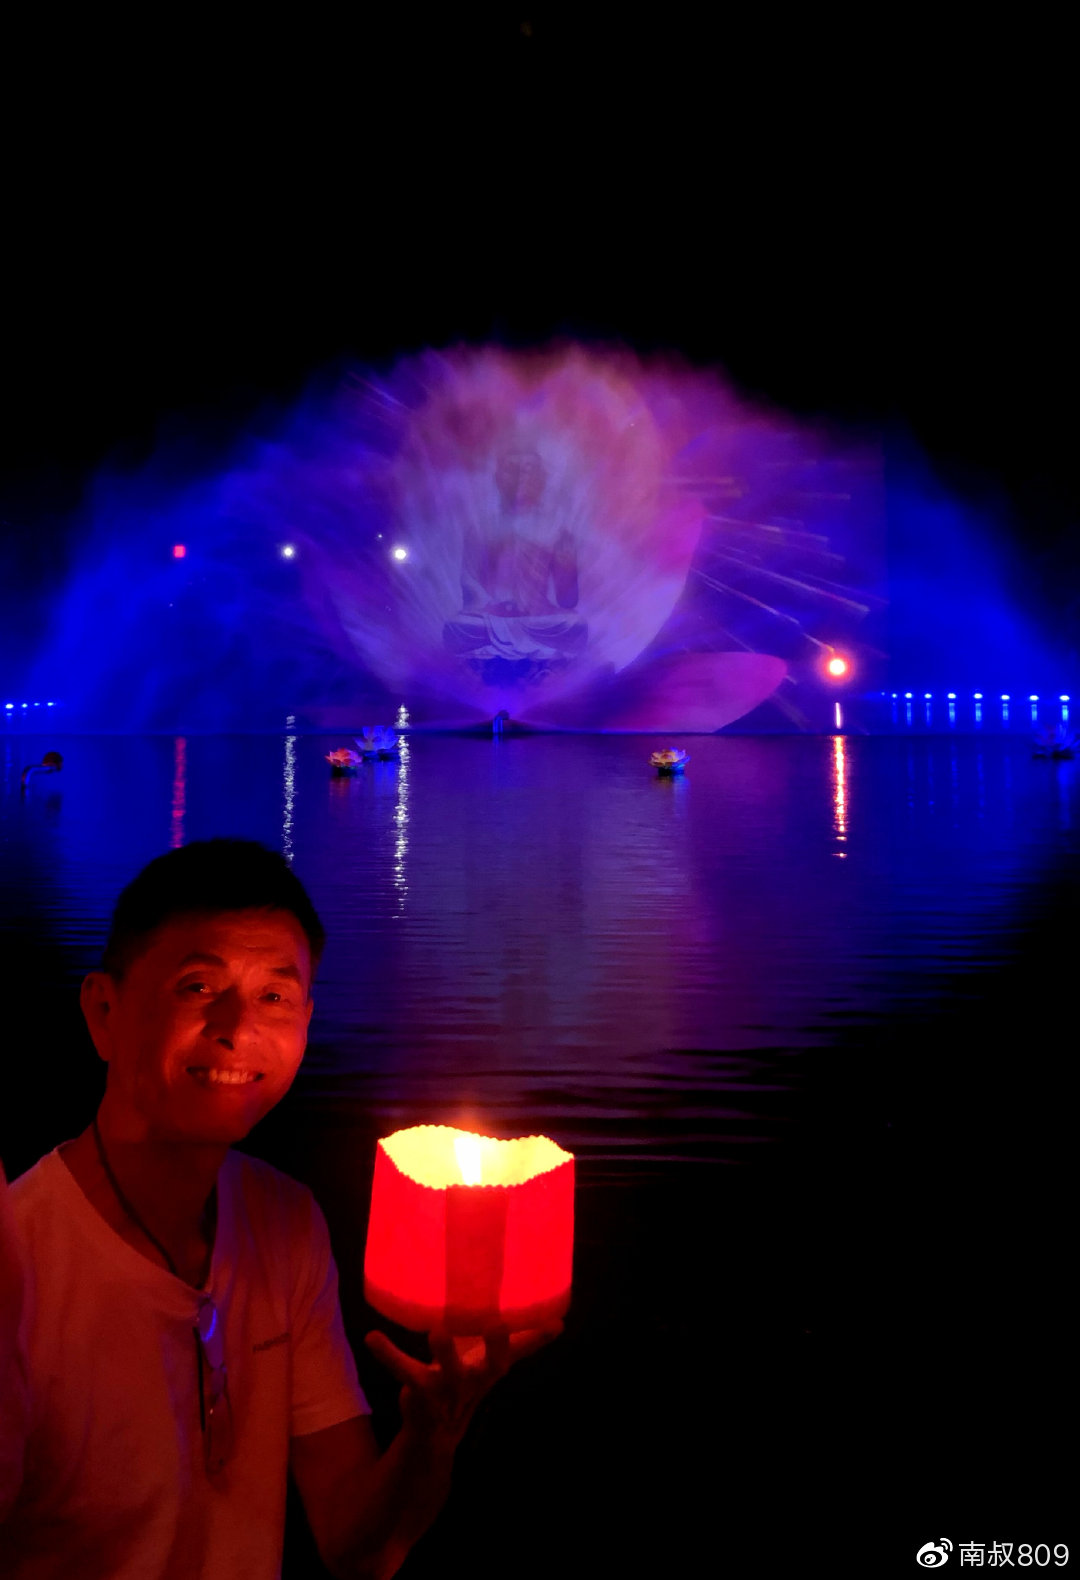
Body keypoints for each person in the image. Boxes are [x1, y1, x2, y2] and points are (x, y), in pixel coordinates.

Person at [0, 839, 559, 1578]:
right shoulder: (21, 1261)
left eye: (274, 997)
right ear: (104, 1011)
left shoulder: (284, 1222)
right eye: (197, 987)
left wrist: (433, 1433)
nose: (237, 1028)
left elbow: (357, 1546)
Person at [442, 448, 588, 686]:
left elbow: (568, 601)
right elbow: (469, 582)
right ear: (498, 478)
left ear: (541, 479)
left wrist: (567, 567)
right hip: (491, 618)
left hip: (539, 617)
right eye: (512, 470)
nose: (521, 477)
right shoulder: (481, 527)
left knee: (575, 626)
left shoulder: (557, 529)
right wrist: (492, 606)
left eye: (529, 470)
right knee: (457, 627)